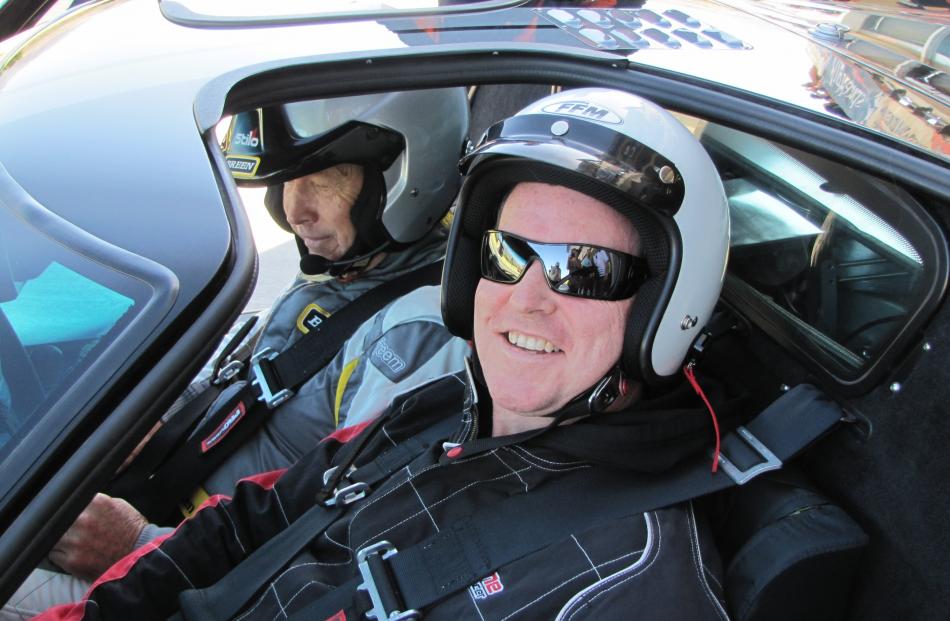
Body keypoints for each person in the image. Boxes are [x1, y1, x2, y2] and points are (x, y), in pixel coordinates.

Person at [37, 87, 740, 620]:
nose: (526, 298)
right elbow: (257, 519)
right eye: (507, 253)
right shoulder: (440, 411)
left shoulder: (629, 585)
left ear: (661, 309)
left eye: (583, 268)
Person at [5, 89, 471, 620]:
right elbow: (251, 376)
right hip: (179, 514)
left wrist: (137, 545)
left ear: (405, 177)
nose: (295, 211)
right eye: (288, 181)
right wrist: (150, 415)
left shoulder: (420, 335)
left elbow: (344, 552)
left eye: (321, 181)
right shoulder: (351, 268)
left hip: (198, 575)